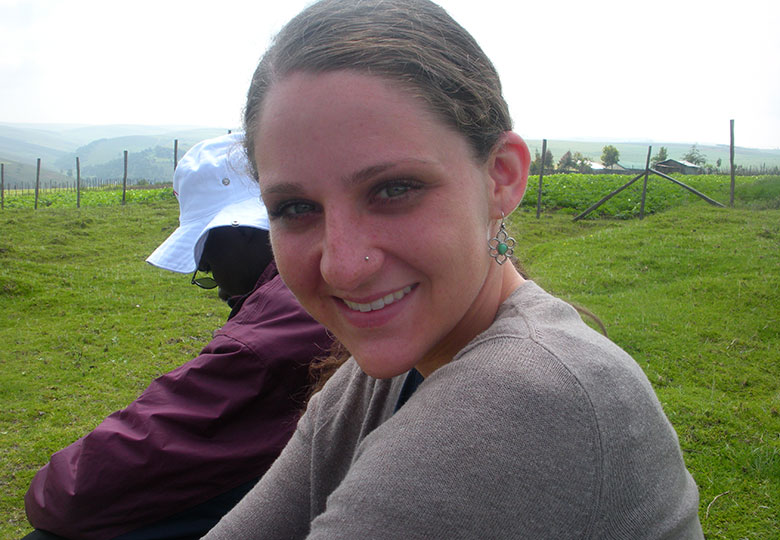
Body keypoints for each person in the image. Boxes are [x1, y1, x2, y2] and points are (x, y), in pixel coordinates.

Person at [202, 1, 705, 539]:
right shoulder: (377, 382)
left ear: (501, 178)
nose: (343, 267)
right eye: (296, 209)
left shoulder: (526, 400)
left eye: (394, 189)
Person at [23, 133, 332, 540]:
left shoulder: (276, 327)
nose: (203, 266)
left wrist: (48, 488)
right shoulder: (318, 284)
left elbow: (119, 466)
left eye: (204, 249)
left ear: (240, 232)